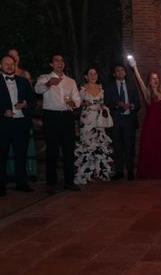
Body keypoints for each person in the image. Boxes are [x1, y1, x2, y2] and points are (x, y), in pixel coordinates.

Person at [0, 54, 36, 196]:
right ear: (0, 66)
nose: (9, 66)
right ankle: (1, 185)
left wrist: (25, 103)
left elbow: (32, 101)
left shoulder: (23, 81)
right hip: (2, 124)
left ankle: (22, 182)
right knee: (1, 155)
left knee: (21, 154)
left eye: (12, 64)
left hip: (21, 123)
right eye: (6, 64)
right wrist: (3, 111)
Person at [34, 54, 82, 193]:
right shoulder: (44, 78)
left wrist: (73, 103)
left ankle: (69, 181)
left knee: (68, 150)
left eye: (61, 61)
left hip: (67, 116)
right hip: (51, 117)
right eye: (56, 61)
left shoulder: (71, 81)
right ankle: (51, 183)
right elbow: (37, 89)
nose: (59, 63)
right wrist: (49, 84)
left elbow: (77, 100)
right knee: (52, 151)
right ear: (51, 64)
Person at [129, 59, 161, 179]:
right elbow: (140, 81)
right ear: (149, 81)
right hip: (150, 124)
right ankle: (150, 172)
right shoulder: (147, 93)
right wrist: (135, 67)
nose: (156, 80)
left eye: (157, 78)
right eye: (153, 78)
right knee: (150, 147)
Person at [74, 67, 114, 185]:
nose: (93, 75)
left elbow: (103, 103)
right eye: (90, 74)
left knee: (99, 146)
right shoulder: (82, 89)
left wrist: (103, 107)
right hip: (87, 120)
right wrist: (82, 103)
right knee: (88, 145)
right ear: (86, 76)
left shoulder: (101, 88)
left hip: (99, 121)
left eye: (95, 73)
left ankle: (99, 173)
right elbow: (76, 104)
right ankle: (86, 174)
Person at [104, 64, 141, 181]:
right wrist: (117, 104)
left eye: (122, 70)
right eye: (117, 70)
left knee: (129, 147)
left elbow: (138, 103)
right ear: (114, 74)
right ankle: (119, 171)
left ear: (125, 73)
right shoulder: (109, 87)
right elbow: (107, 101)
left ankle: (130, 171)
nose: (120, 72)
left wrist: (131, 105)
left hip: (129, 120)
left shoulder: (132, 86)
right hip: (116, 120)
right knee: (117, 146)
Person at [6, 48, 37, 182]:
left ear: (19, 58)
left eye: (16, 56)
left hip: (23, 115)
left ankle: (29, 172)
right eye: (11, 56)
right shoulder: (1, 74)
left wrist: (25, 103)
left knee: (26, 146)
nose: (14, 58)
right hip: (8, 116)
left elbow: (32, 97)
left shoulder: (25, 74)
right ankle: (11, 173)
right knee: (9, 147)